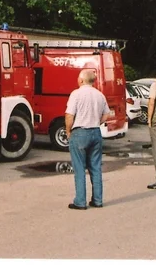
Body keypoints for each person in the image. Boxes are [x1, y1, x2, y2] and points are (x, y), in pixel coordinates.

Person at [64, 68, 110, 210]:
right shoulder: (100, 95)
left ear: (82, 80)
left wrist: (68, 131)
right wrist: (97, 122)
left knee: (79, 168)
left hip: (80, 133)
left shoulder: (76, 94)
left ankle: (80, 201)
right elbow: (107, 114)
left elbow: (69, 115)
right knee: (95, 168)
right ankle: (97, 200)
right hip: (95, 132)